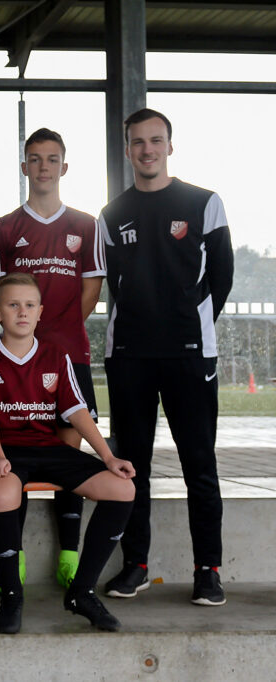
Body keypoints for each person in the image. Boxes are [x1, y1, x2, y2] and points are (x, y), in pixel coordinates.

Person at [98, 108, 234, 607]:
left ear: (170, 146)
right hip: (130, 356)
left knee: (199, 464)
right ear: (128, 149)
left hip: (189, 355)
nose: (147, 150)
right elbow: (115, 285)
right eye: (138, 142)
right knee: (132, 467)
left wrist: (185, 323)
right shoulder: (111, 214)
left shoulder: (204, 203)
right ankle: (135, 565)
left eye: (156, 141)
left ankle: (208, 571)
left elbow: (221, 279)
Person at [0, 273, 135, 633]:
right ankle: (12, 594)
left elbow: (76, 409)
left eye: (29, 305)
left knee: (122, 488)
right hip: (6, 450)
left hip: (47, 447)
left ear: (40, 312)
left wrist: (108, 457)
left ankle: (82, 592)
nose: (22, 312)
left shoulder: (55, 354)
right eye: (13, 305)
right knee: (3, 493)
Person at [0, 128, 107, 589]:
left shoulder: (85, 224)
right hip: (15, 361)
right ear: (24, 167)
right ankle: (14, 555)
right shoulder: (4, 227)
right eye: (35, 159)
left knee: (68, 456)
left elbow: (91, 288)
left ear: (64, 167)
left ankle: (69, 554)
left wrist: (53, 336)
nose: (43, 167)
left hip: (67, 356)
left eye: (52, 159)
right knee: (12, 454)